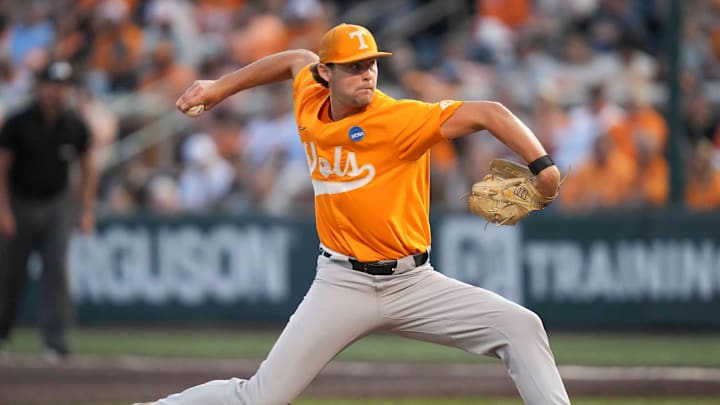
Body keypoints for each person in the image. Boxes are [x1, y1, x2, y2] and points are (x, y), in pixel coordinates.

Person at [152, 23, 568, 404]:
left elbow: (490, 112)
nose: (367, 74)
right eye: (353, 67)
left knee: (521, 327)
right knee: (260, 398)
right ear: (327, 74)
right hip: (342, 283)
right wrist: (219, 88)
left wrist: (544, 168)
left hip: (413, 283)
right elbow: (295, 59)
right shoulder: (310, 96)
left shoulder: (399, 119)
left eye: (371, 64)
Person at [0, 60, 96, 361]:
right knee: (9, 274)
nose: (58, 92)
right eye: (53, 85)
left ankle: (56, 341)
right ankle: (1, 336)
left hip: (57, 203)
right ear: (40, 87)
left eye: (63, 86)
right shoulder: (18, 122)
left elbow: (89, 167)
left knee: (57, 273)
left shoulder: (74, 124)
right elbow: (2, 167)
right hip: (20, 201)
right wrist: (2, 209)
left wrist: (85, 207)